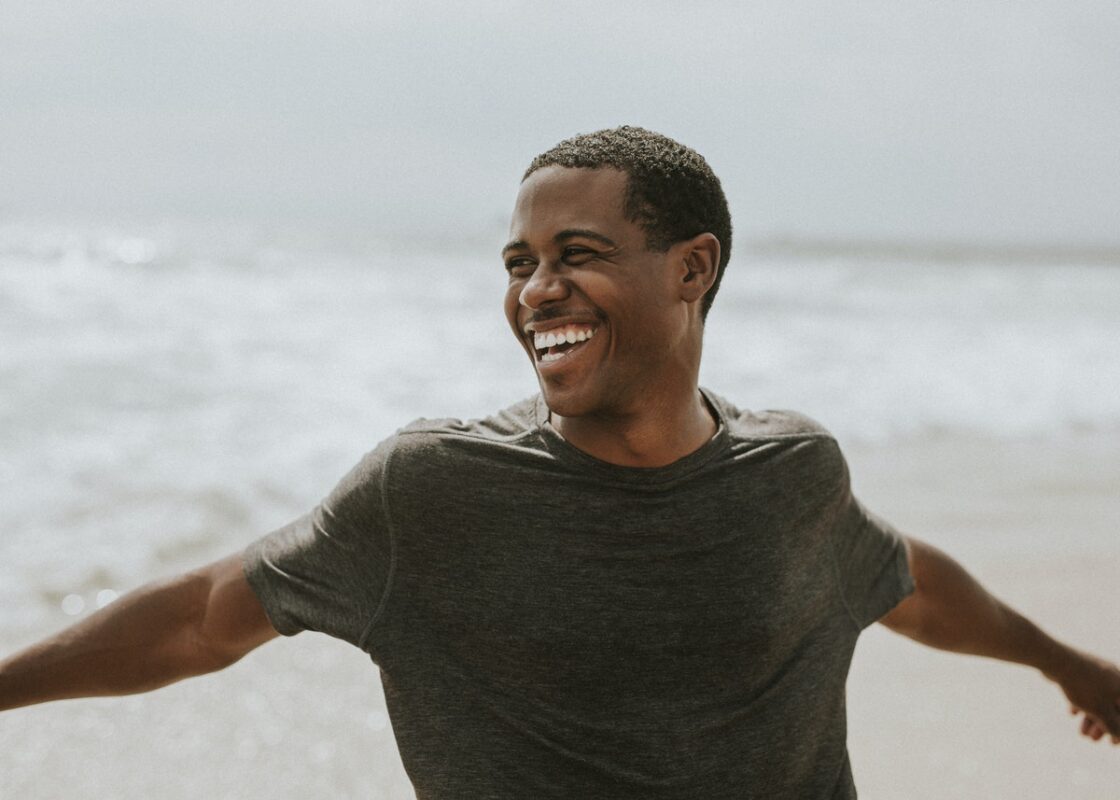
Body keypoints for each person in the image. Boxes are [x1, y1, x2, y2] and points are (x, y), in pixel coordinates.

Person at [1, 126, 1117, 798]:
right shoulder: (429, 489)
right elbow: (203, 613)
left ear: (692, 267)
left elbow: (902, 580)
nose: (536, 290)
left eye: (577, 254)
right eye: (520, 260)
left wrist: (1068, 662)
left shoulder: (792, 473)